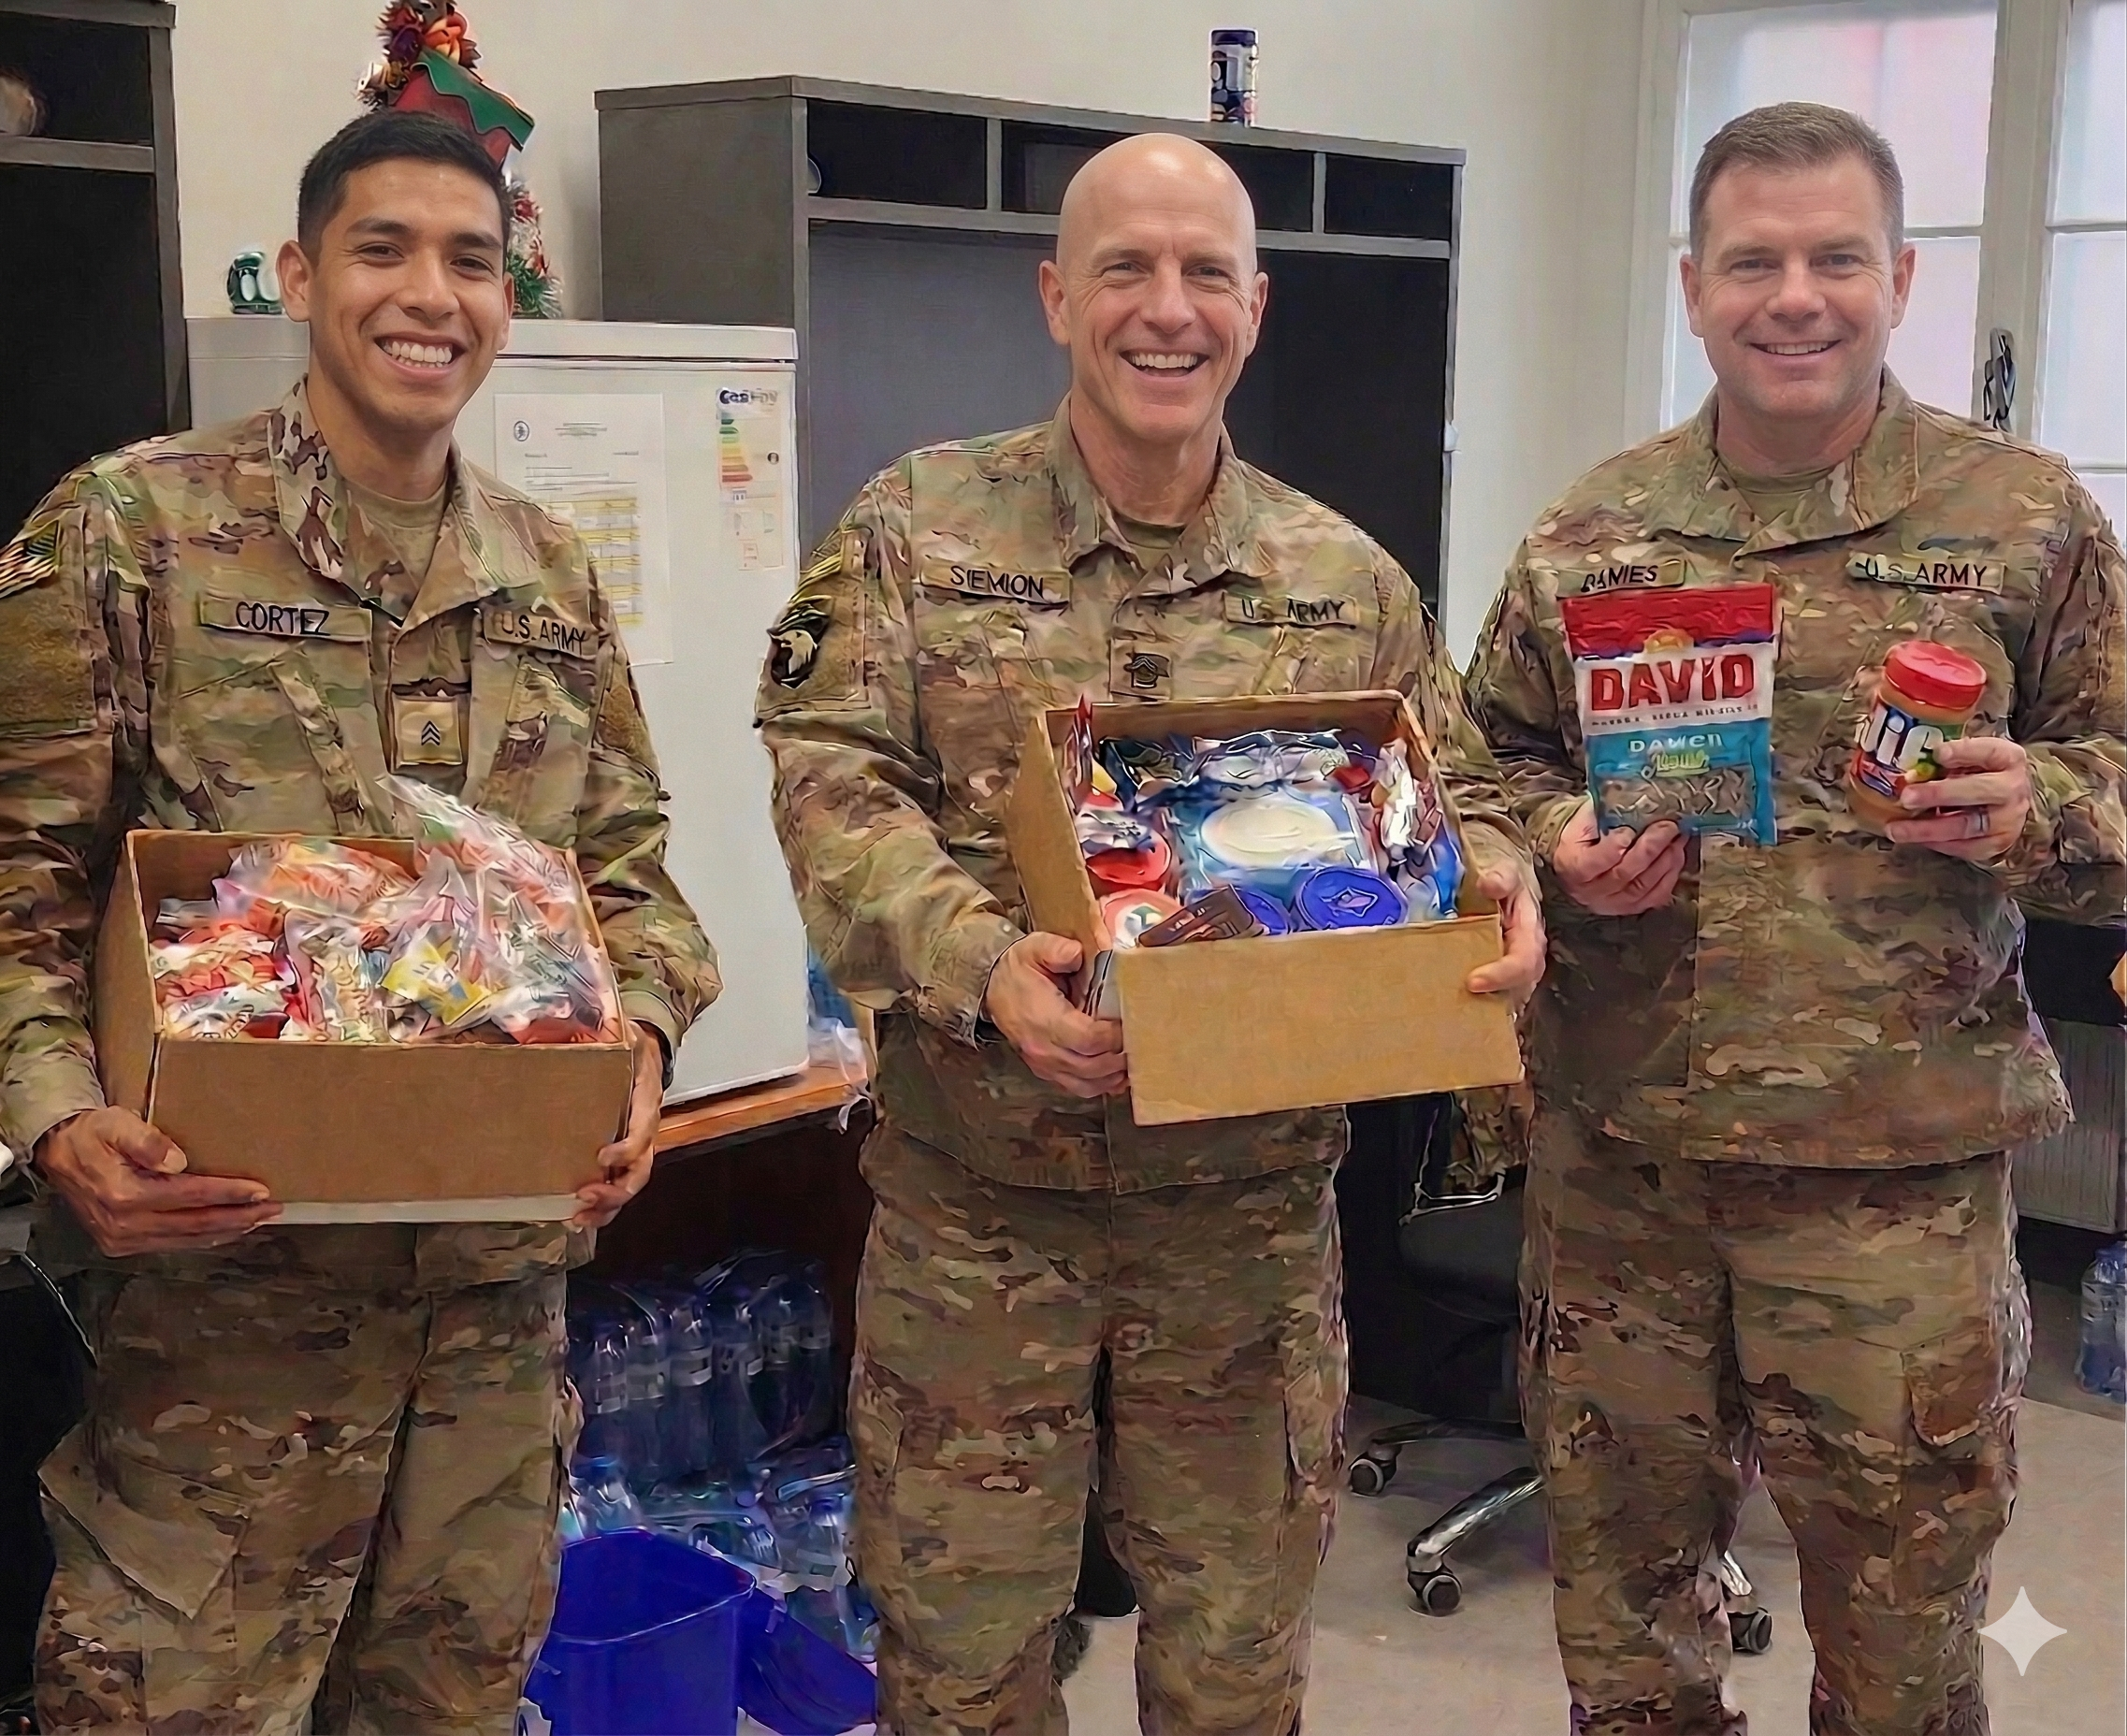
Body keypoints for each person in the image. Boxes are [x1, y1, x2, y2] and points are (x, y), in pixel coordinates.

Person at [758, 132, 1546, 1735]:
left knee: (1235, 1674)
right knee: (962, 1674)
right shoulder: (917, 531)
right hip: (981, 1220)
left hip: (1243, 1235)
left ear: (1254, 309)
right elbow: (828, 786)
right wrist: (982, 965)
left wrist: (1506, 892)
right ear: (1058, 296)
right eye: (1125, 268)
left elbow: (1460, 807)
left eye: (1203, 274)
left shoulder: (1344, 577)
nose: (1163, 310)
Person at [0, 110, 718, 1734]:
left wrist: (642, 1051)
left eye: (471, 259)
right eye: (384, 249)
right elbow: (14, 883)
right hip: (226, 1340)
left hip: (486, 1340)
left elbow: (631, 878)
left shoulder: (548, 572)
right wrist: (57, 1119)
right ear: (307, 271)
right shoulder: (131, 532)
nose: (429, 294)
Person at [1465, 101, 2124, 1736]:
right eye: (1751, 262)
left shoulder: (2024, 520)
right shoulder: (1593, 533)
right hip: (1628, 1172)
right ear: (1691, 288)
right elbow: (1476, 772)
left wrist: (2033, 810)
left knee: (1900, 1641)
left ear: (1900, 278)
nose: (1794, 297)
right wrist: (1556, 840)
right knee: (1625, 1632)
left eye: (1836, 257)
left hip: (1891, 1190)